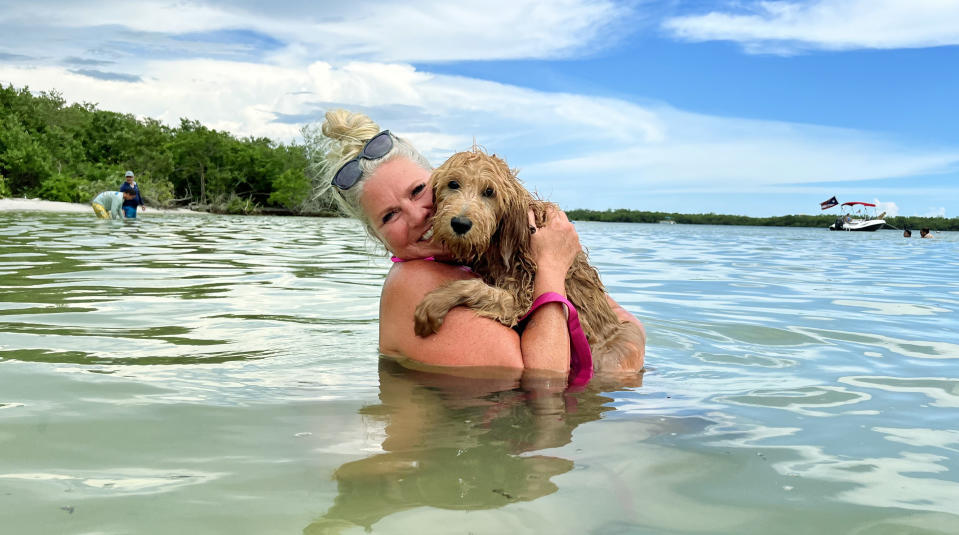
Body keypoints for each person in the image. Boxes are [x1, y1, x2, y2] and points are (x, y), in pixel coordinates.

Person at [318, 109, 645, 381]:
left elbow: (625, 324)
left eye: (418, 190)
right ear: (377, 236)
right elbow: (544, 381)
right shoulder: (413, 282)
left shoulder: (486, 256)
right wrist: (551, 267)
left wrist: (625, 353)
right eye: (390, 216)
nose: (419, 215)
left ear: (436, 179)